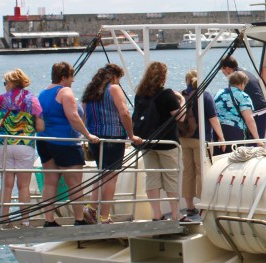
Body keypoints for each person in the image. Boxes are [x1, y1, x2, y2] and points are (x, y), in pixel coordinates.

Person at [37, 62, 100, 226]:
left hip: (44, 141)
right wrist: (88, 134)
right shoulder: (65, 92)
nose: (72, 81)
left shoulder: (43, 93)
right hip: (65, 143)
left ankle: (49, 220)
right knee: (75, 183)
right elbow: (73, 116)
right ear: (64, 77)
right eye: (71, 77)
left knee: (50, 182)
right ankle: (79, 219)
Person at [82, 63, 142, 224]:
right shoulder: (113, 89)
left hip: (95, 137)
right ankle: (104, 215)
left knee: (101, 172)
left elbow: (84, 114)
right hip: (113, 137)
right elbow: (124, 112)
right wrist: (131, 135)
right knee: (111, 176)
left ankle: (92, 208)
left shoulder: (90, 91)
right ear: (115, 77)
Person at [132, 61, 185, 222]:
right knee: (171, 178)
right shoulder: (167, 94)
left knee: (152, 177)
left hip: (146, 142)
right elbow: (180, 117)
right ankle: (176, 214)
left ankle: (156, 213)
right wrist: (181, 100)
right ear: (163, 77)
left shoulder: (140, 94)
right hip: (167, 143)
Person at [0, 68, 44, 226]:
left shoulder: (0, 99)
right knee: (23, 186)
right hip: (25, 145)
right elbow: (41, 126)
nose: (5, 85)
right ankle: (25, 221)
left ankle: (4, 219)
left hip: (4, 144)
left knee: (6, 185)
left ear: (11, 82)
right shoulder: (32, 100)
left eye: (5, 83)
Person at [179, 70, 224, 220]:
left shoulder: (181, 95)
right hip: (201, 139)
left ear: (186, 80)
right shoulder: (205, 95)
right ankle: (203, 205)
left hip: (184, 138)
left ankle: (190, 206)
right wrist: (221, 136)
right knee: (202, 171)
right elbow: (213, 118)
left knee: (188, 171)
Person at [220, 56, 266, 141]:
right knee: (256, 142)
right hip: (263, 110)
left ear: (227, 68)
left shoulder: (235, 78)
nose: (222, 72)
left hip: (257, 112)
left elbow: (234, 97)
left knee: (252, 144)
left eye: (222, 70)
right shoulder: (245, 73)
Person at [214, 71, 265, 152]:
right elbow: (249, 120)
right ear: (242, 83)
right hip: (234, 132)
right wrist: (258, 140)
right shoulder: (243, 96)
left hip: (217, 132)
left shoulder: (219, 93)